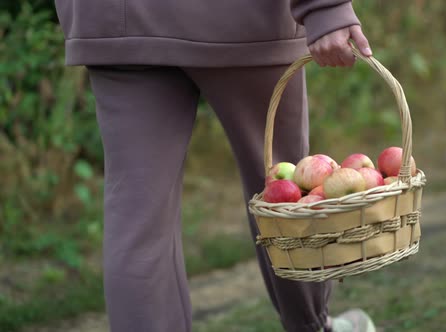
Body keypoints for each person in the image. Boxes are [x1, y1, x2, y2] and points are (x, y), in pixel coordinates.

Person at [54, 1, 375, 331]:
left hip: (117, 19)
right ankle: (313, 327)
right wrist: (325, 7)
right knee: (289, 191)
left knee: (137, 216)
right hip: (242, 19)